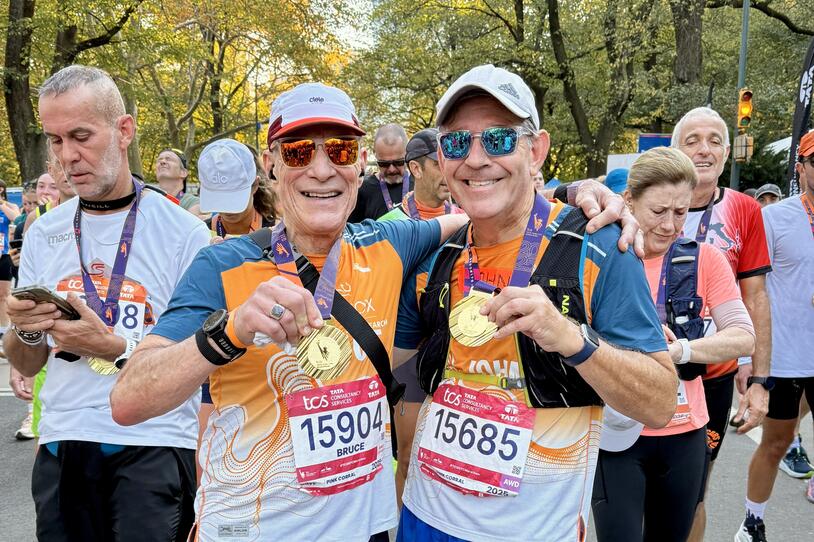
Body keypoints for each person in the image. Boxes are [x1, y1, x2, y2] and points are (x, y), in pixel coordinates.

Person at [109, 78, 640, 540]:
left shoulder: (390, 245)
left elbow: (484, 204)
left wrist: (579, 194)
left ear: (359, 164)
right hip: (253, 529)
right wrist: (230, 331)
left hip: (367, 531)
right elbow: (130, 400)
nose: (321, 169)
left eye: (339, 150)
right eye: (297, 152)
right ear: (270, 167)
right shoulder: (221, 265)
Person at [393, 64, 677, 542]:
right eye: (457, 142)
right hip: (426, 519)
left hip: (536, 532)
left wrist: (572, 339)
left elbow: (661, 403)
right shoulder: (432, 254)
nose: (476, 159)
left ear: (537, 149)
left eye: (499, 140)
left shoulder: (598, 246)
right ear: (441, 159)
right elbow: (404, 385)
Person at [5, 64, 209, 541]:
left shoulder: (184, 234)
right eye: (56, 141)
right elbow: (28, 362)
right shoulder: (45, 232)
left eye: (80, 136)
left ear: (123, 131)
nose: (67, 157)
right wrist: (28, 329)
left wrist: (112, 345)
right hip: (64, 444)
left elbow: (199, 361)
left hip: (152, 442)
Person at [591, 147, 755, 542]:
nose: (670, 225)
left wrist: (681, 350)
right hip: (617, 435)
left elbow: (743, 335)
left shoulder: (705, 259)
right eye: (658, 211)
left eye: (680, 213)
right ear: (628, 200)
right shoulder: (601, 253)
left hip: (684, 435)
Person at [671, 107, 772, 542]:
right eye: (692, 139)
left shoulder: (745, 210)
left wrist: (759, 378)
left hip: (712, 375)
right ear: (675, 150)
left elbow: (756, 298)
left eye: (714, 139)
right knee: (635, 488)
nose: (704, 149)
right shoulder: (644, 201)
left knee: (693, 494)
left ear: (727, 152)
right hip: (648, 368)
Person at [735, 130, 814, 541]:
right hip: (786, 356)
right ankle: (752, 522)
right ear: (801, 170)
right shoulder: (774, 217)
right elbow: (751, 289)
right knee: (777, 443)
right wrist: (747, 360)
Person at [199, 139, 277, 239]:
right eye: (219, 198)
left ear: (255, 185)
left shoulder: (277, 232)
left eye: (233, 197)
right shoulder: (202, 232)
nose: (227, 208)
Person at [380, 128, 462, 222]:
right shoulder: (387, 226)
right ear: (416, 169)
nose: (449, 173)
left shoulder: (466, 221)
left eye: (451, 164)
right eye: (440, 164)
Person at [348, 123, 413, 221]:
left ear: (407, 154)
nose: (391, 169)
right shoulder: (362, 191)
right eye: (384, 164)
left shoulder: (422, 183)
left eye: (398, 162)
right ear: (375, 155)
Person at [155, 147, 205, 216]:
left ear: (183, 172)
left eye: (168, 159)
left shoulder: (193, 203)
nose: (162, 162)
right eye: (159, 160)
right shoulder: (146, 200)